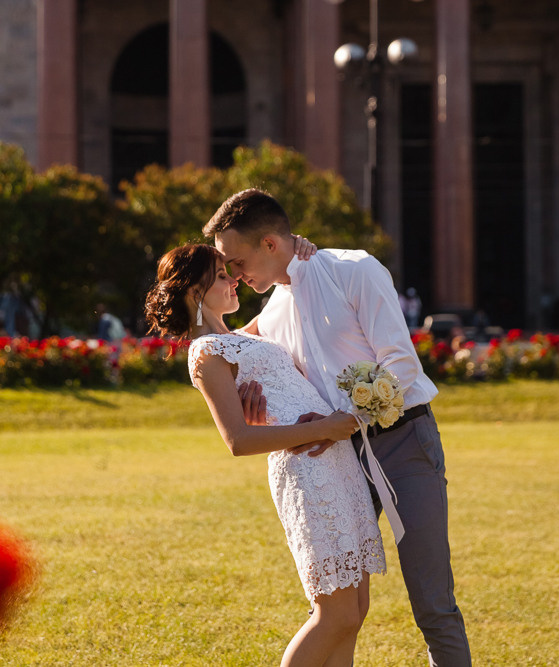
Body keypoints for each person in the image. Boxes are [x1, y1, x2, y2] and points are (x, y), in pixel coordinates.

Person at [205, 188, 471, 666]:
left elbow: (401, 363)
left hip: (404, 443)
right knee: (339, 607)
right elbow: (222, 350)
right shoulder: (271, 311)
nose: (235, 276)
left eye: (236, 260)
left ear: (270, 244)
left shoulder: (355, 270)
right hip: (335, 462)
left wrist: (342, 419)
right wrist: (253, 397)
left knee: (432, 603)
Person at [145, 244, 386, 667]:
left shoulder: (237, 337)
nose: (234, 278)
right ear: (193, 293)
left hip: (338, 462)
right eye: (221, 275)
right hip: (308, 471)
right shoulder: (206, 353)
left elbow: (287, 296)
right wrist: (323, 428)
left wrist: (300, 250)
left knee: (356, 611)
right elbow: (236, 440)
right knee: (335, 613)